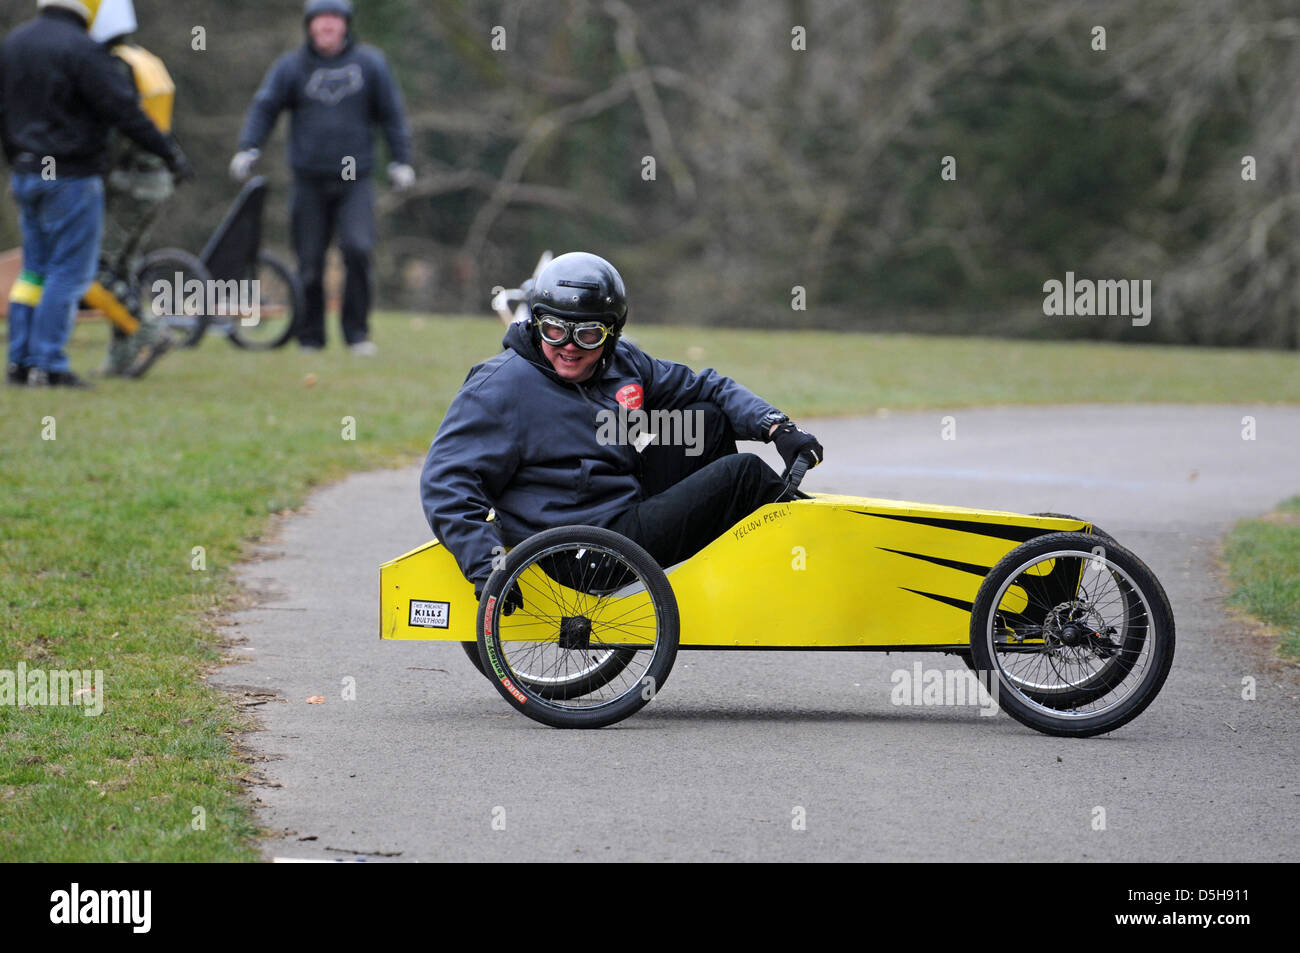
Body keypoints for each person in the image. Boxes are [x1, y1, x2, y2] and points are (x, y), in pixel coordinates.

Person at [420, 252, 825, 602]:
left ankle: (736, 553)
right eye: (555, 330)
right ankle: (818, 556)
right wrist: (489, 567)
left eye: (589, 333)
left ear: (612, 334)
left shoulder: (622, 362)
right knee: (743, 475)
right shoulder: (499, 388)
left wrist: (777, 428)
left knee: (707, 420)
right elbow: (446, 482)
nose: (570, 346)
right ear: (537, 323)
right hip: (580, 548)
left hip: (619, 503)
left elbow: (707, 385)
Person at [1, 0, 193, 388]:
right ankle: (48, 364)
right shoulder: (83, 50)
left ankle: (20, 363)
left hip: (26, 174)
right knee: (69, 274)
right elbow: (123, 109)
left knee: (33, 273)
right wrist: (168, 152)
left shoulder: (14, 44)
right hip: (71, 178)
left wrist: (16, 160)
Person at [229, 0, 414, 355]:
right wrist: (248, 147)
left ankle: (356, 334)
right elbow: (265, 105)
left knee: (358, 250)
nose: (327, 26)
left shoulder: (371, 64)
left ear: (345, 24)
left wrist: (401, 161)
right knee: (309, 262)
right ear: (310, 25)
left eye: (334, 19)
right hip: (308, 179)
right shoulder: (291, 66)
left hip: (355, 179)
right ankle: (311, 336)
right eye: (320, 20)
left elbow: (392, 114)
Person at [88, 0, 180, 378]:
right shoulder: (146, 59)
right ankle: (121, 358)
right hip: (155, 179)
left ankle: (150, 331)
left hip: (131, 182)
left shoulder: (116, 66)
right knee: (123, 269)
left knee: (96, 269)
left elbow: (117, 128)